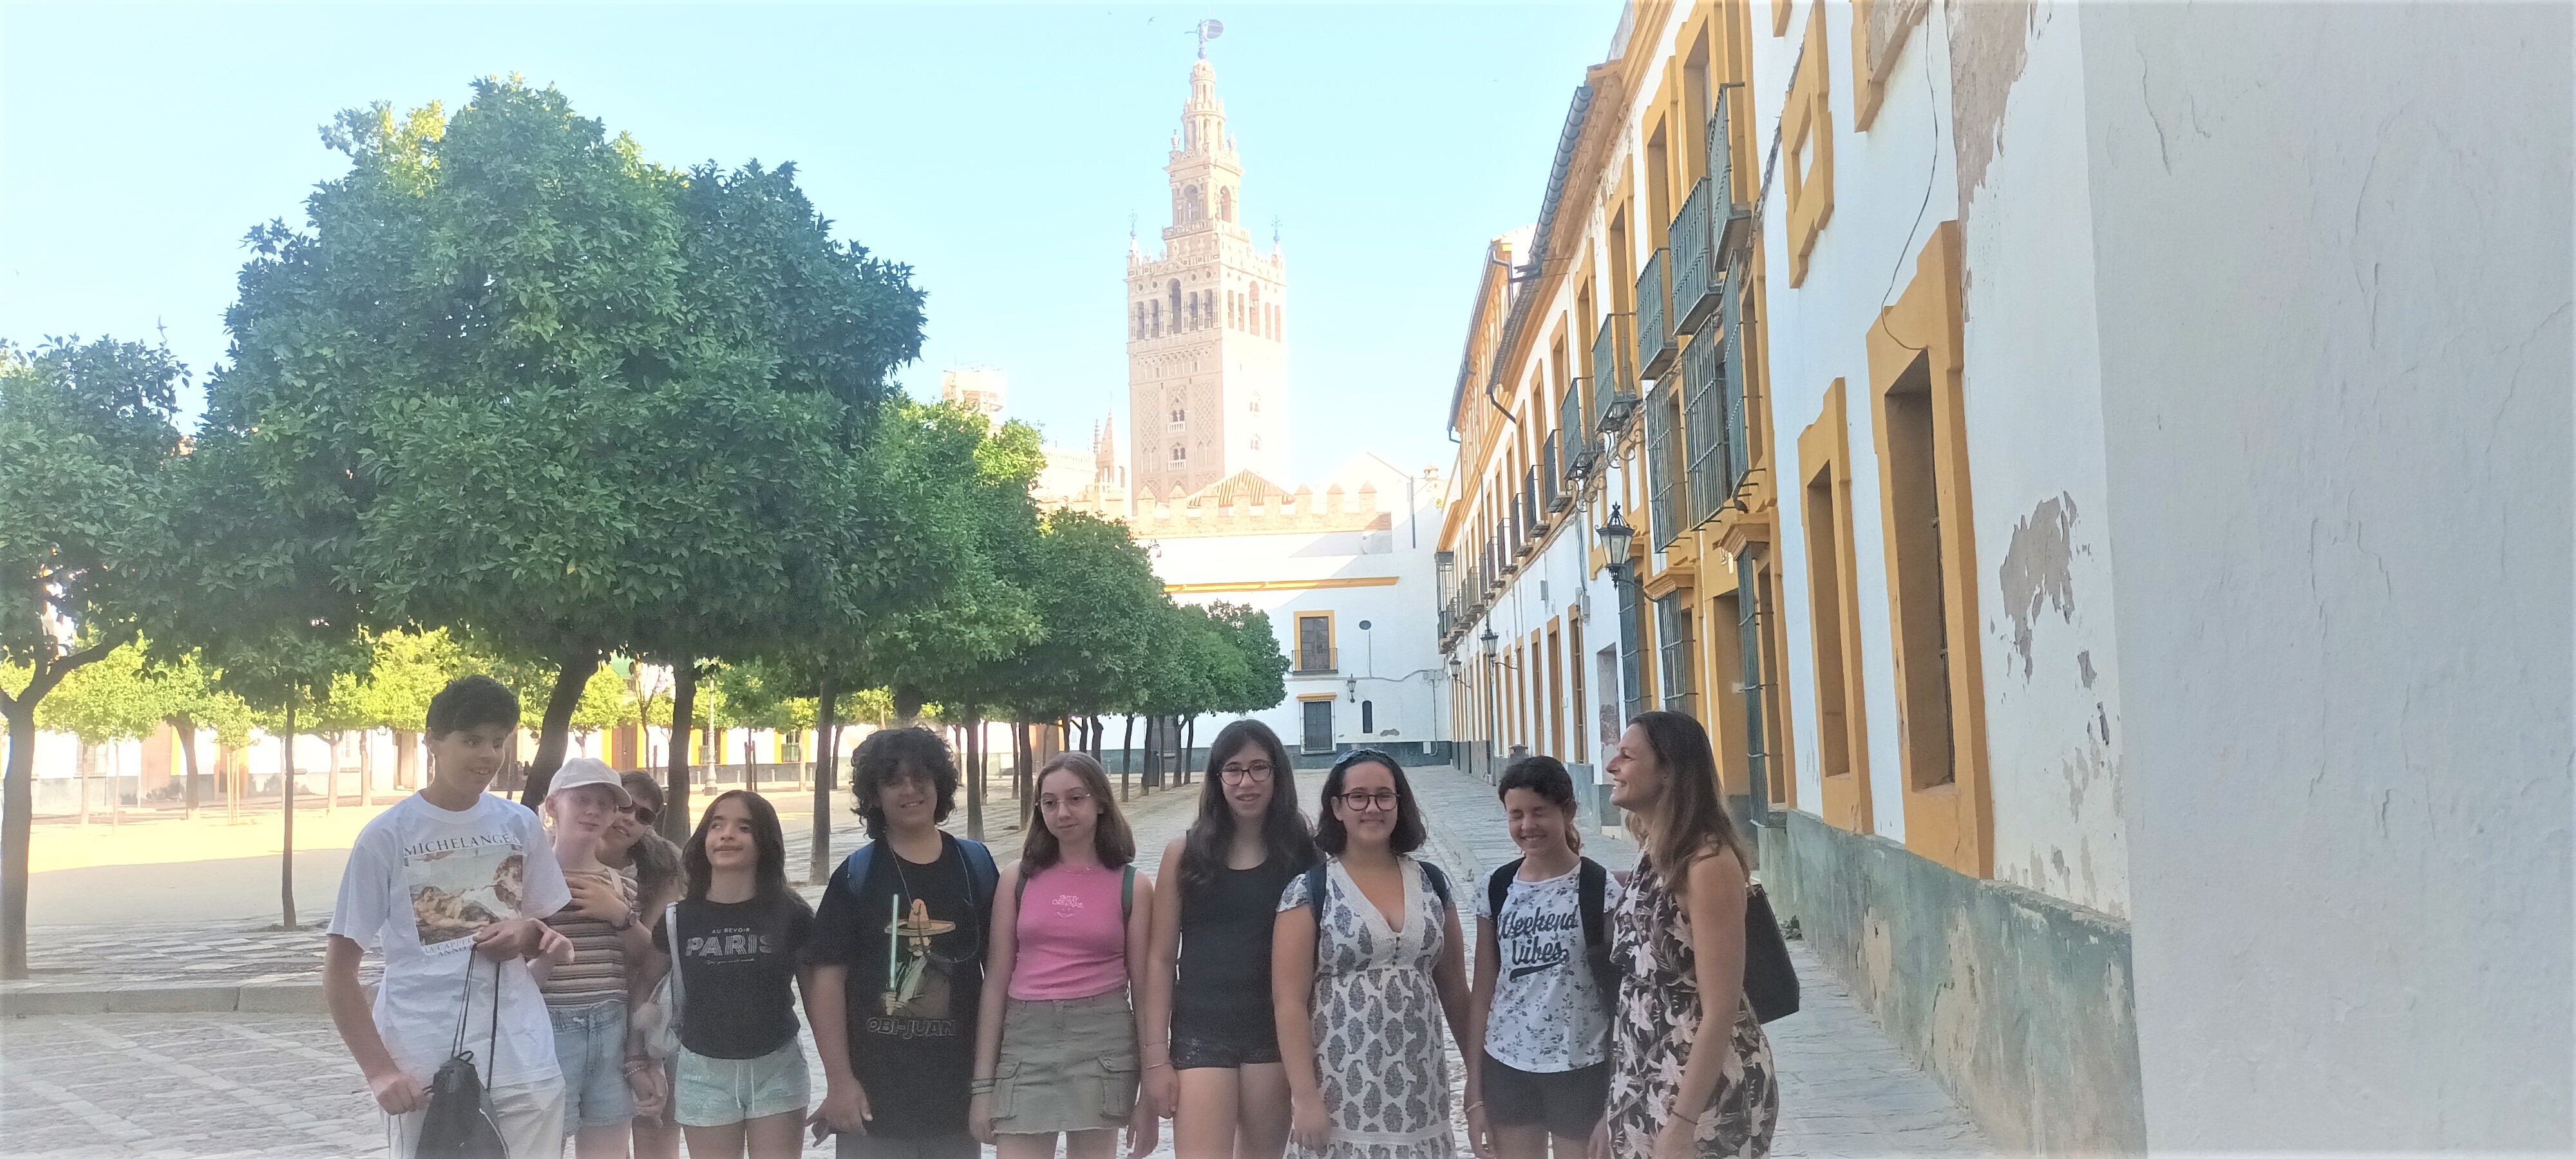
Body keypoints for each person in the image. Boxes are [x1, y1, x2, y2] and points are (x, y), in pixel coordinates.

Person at [323, 674, 575, 1159]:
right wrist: (380, 1070)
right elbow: (339, 972)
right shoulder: (387, 837)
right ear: (433, 741)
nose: (487, 755)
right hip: (424, 1056)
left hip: (522, 1053)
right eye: (471, 740)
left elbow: (542, 930)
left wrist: (525, 933)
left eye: (498, 742)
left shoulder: (520, 825)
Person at [804, 727, 1002, 1159]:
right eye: (893, 780)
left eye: (920, 777)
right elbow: (827, 982)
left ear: (940, 784)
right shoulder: (857, 875)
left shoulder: (977, 867)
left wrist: (989, 1084)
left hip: (955, 1098)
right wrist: (839, 1081)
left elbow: (1000, 978)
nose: (909, 790)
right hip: (873, 1103)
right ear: (874, 795)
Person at [1273, 749, 1472, 1159]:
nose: (1372, 808)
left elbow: (1454, 990)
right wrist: (1305, 1098)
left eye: (1385, 796)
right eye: (1358, 797)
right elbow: (1289, 1003)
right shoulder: (1310, 890)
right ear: (1337, 807)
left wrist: (1479, 1080)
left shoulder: (1433, 883)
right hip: (1341, 1092)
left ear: (1400, 804)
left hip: (1421, 1093)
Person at [1598, 713, 1777, 1159]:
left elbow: (1721, 1007)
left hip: (1701, 1092)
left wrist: (1682, 1123)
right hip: (1646, 1077)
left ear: (1669, 771)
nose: (1611, 766)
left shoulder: (1707, 864)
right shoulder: (1654, 851)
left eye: (1627, 755)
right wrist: (1615, 1104)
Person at [1141, 721, 1319, 1159]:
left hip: (1273, 1037)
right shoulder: (1183, 855)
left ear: (1278, 774)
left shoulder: (1305, 855)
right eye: (1234, 769)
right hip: (1201, 1035)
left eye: (1260, 768)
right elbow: (1161, 960)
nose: (1247, 782)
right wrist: (1155, 1058)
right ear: (1218, 778)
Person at [971, 751, 1158, 1159]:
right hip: (1026, 1043)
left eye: (1076, 798)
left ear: (1100, 802)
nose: (1063, 812)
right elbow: (996, 983)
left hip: (1102, 1040)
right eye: (1050, 802)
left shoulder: (1133, 886)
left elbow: (1146, 994)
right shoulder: (1016, 879)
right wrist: (983, 1086)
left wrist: (1149, 1092)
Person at [1463, 757, 1624, 1159]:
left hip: (1581, 1064)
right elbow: (1483, 989)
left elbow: (1621, 995)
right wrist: (1475, 1087)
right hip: (1508, 1064)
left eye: (1539, 812)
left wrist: (1615, 1096)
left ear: (1567, 811)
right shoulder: (1497, 888)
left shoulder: (1598, 889)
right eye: (1516, 815)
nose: (1527, 825)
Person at [656, 789, 819, 1159]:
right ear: (704, 839)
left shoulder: (792, 914)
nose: (727, 834)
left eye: (744, 827)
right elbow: (644, 983)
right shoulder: (677, 919)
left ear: (765, 843)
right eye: (717, 825)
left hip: (777, 1068)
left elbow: (818, 1000)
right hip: (702, 1072)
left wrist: (841, 1081)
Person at [534, 758, 658, 1159]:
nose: (593, 811)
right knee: (541, 1145)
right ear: (553, 806)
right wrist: (547, 959)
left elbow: (646, 962)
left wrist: (619, 914)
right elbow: (511, 976)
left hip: (611, 1027)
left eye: (605, 805)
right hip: (547, 1028)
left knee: (609, 1147)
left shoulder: (619, 884)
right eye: (582, 800)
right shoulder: (528, 879)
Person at [606, 771, 685, 1159]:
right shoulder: (559, 857)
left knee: (655, 1124)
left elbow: (654, 957)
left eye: (644, 815)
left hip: (649, 1012)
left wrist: (618, 914)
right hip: (583, 1011)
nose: (629, 819)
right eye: (622, 805)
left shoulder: (662, 865)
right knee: (603, 1134)